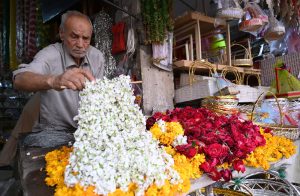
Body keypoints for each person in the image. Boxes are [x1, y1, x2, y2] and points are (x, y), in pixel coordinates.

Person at [0, 10, 105, 166]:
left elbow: (100, 96)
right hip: (55, 131)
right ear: (62, 34)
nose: (80, 44)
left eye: (86, 38)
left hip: (88, 132)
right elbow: (20, 79)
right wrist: (54, 80)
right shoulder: (50, 54)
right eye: (74, 37)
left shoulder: (97, 57)